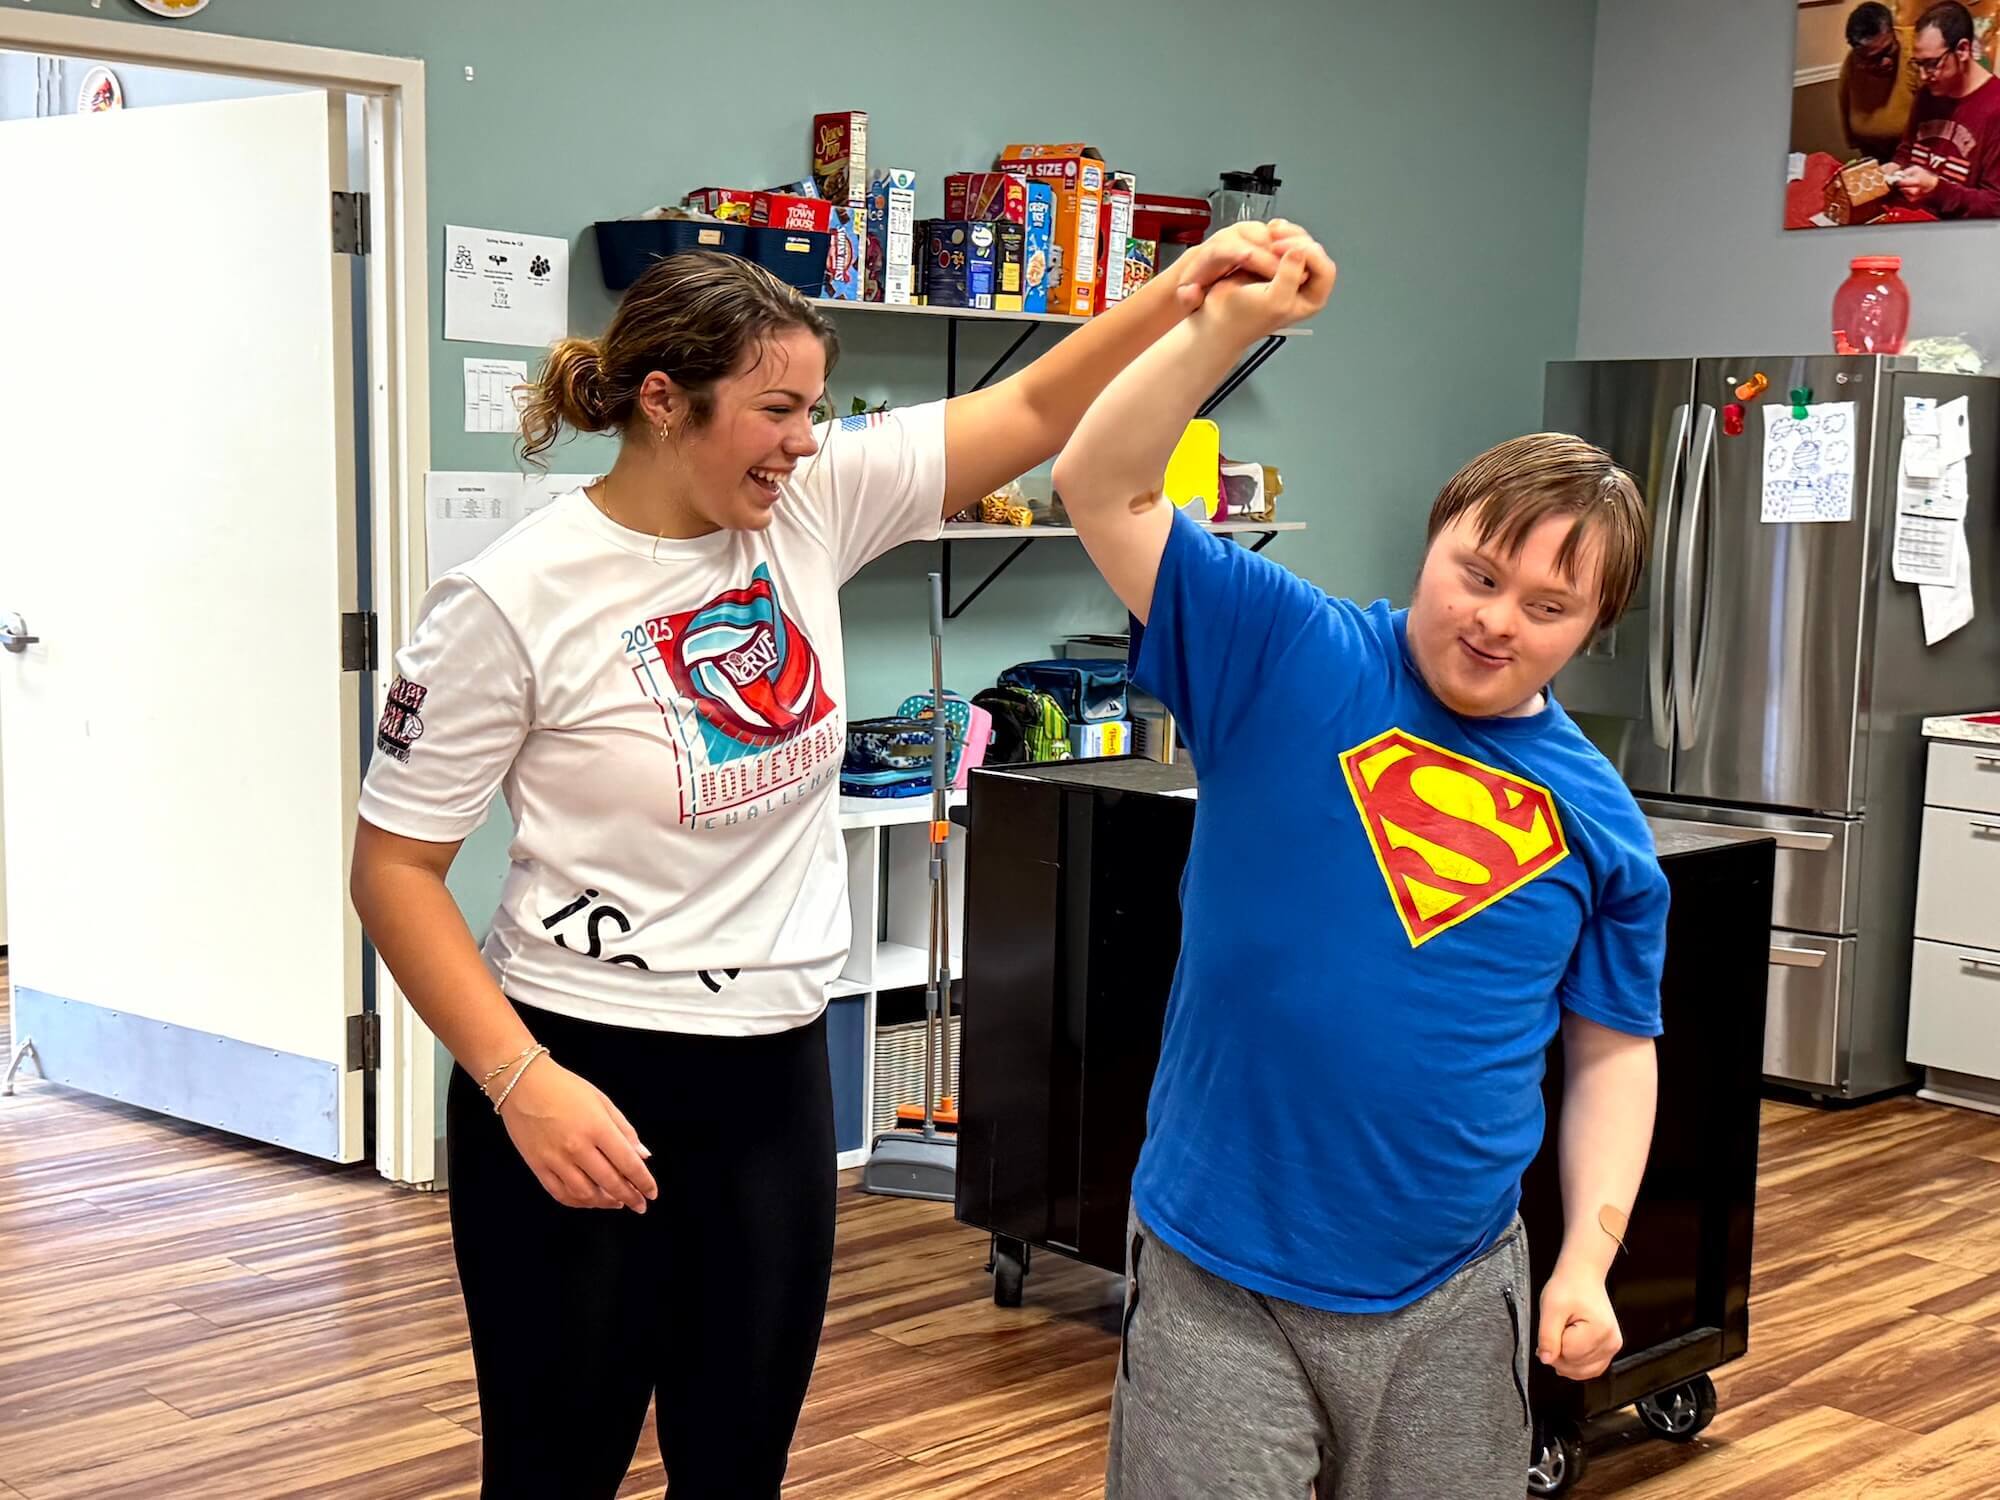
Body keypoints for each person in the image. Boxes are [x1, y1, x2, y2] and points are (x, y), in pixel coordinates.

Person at [348, 229, 1295, 1499]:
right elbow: (393, 872)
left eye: (814, 410)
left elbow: (1026, 401)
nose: (805, 440)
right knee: (554, 1466)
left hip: (770, 1082)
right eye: (776, 410)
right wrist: (522, 1084)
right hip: (580, 1067)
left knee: (737, 1462)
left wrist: (1181, 296)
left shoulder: (808, 508)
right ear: (662, 400)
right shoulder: (509, 599)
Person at [1050, 230, 1669, 1498]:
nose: (1495, 619)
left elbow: (1612, 1051)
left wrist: (1589, 1258)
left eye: (1545, 609)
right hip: (1218, 1265)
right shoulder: (1285, 650)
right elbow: (1098, 483)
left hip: (1451, 1288)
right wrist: (1224, 332)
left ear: (1590, 631)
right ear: (1432, 538)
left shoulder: (1598, 819)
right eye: (1476, 573)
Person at [1894, 1, 2000, 216]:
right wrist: (1895, 168)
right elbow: (1906, 151)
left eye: (1932, 63)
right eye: (1918, 64)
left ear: (1962, 50)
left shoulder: (1995, 107)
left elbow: (1994, 205)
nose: (1923, 76)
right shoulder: (1929, 92)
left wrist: (1936, 189)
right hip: (1911, 218)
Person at [1840, 3, 1922, 162]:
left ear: (1893, 32)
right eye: (1872, 59)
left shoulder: (1918, 50)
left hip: (1919, 159)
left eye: (1887, 50)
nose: (1884, 62)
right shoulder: (1853, 62)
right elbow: (1845, 105)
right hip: (1876, 158)